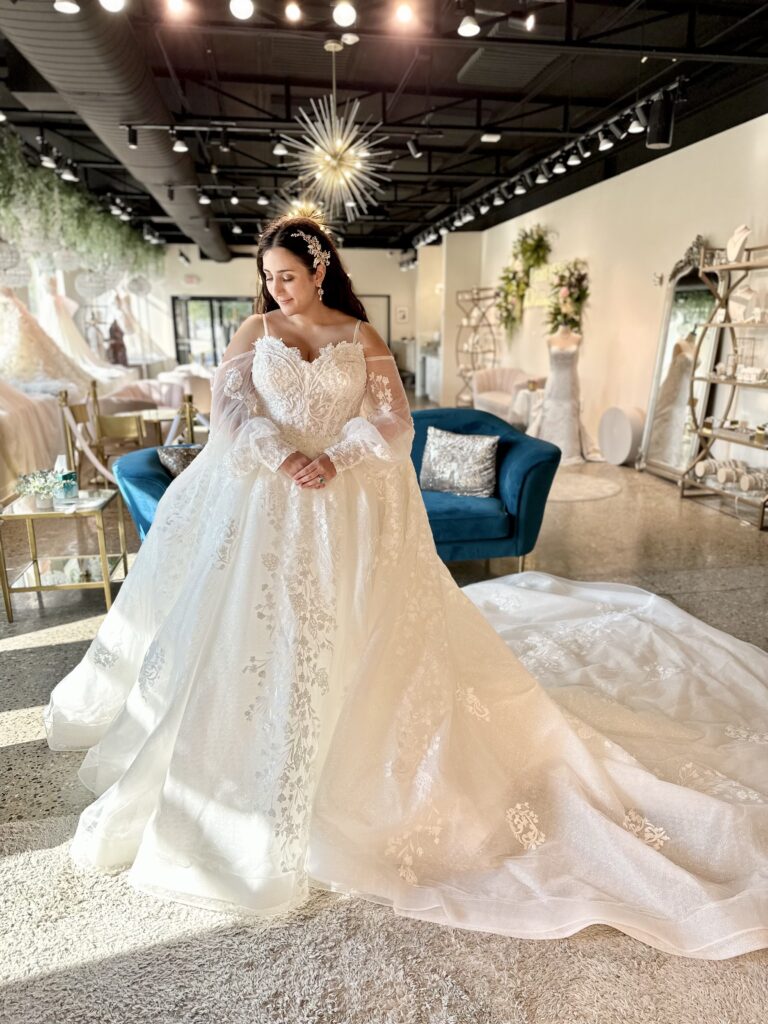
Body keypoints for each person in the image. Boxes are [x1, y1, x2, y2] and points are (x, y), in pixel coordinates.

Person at [44, 217, 768, 959]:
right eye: (267, 276)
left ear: (319, 270)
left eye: (287, 276)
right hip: (267, 502)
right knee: (262, 636)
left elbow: (394, 422)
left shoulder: (359, 338)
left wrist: (337, 457)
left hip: (339, 506)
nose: (275, 288)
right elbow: (232, 412)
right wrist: (280, 455)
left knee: (347, 631)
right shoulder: (253, 331)